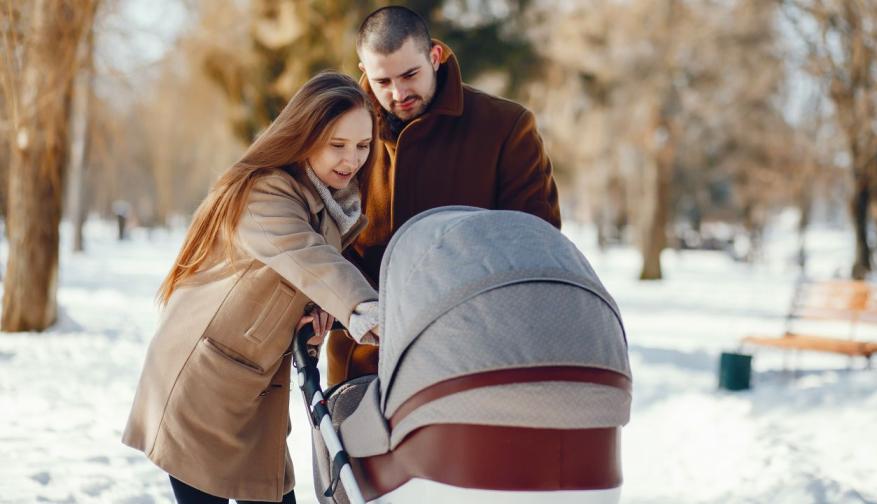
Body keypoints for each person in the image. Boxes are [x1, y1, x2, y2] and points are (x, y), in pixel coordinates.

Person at [122, 71, 382, 503]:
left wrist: (316, 318)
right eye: (337, 145)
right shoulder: (266, 193)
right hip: (203, 387)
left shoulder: (332, 205)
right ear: (304, 137)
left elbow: (301, 281)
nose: (351, 159)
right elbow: (308, 257)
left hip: (255, 394)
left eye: (362, 145)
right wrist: (367, 311)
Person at [325, 6, 562, 385]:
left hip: (475, 361)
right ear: (363, 71)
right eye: (382, 81)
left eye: (410, 75)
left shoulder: (505, 128)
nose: (398, 93)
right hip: (366, 362)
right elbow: (319, 239)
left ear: (434, 56)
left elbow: (536, 245)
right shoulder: (341, 136)